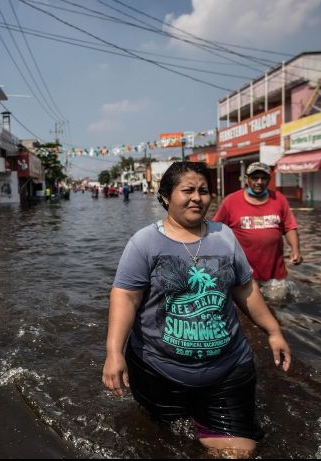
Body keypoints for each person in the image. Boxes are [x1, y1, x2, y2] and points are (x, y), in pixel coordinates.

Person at [102, 161, 291, 458]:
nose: (196, 197)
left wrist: (273, 330)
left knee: (237, 453)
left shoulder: (224, 236)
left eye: (203, 191)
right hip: (158, 372)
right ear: (165, 196)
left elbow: (245, 288)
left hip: (229, 370)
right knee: (167, 444)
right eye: (187, 190)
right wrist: (114, 352)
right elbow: (125, 297)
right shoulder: (144, 242)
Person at [213, 162, 303, 283]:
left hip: (276, 274)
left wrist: (295, 250)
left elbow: (289, 227)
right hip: (243, 274)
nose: (259, 181)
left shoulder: (279, 199)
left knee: (279, 301)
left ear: (269, 179)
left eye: (263, 178)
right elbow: (215, 230)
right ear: (246, 179)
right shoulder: (231, 201)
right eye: (255, 178)